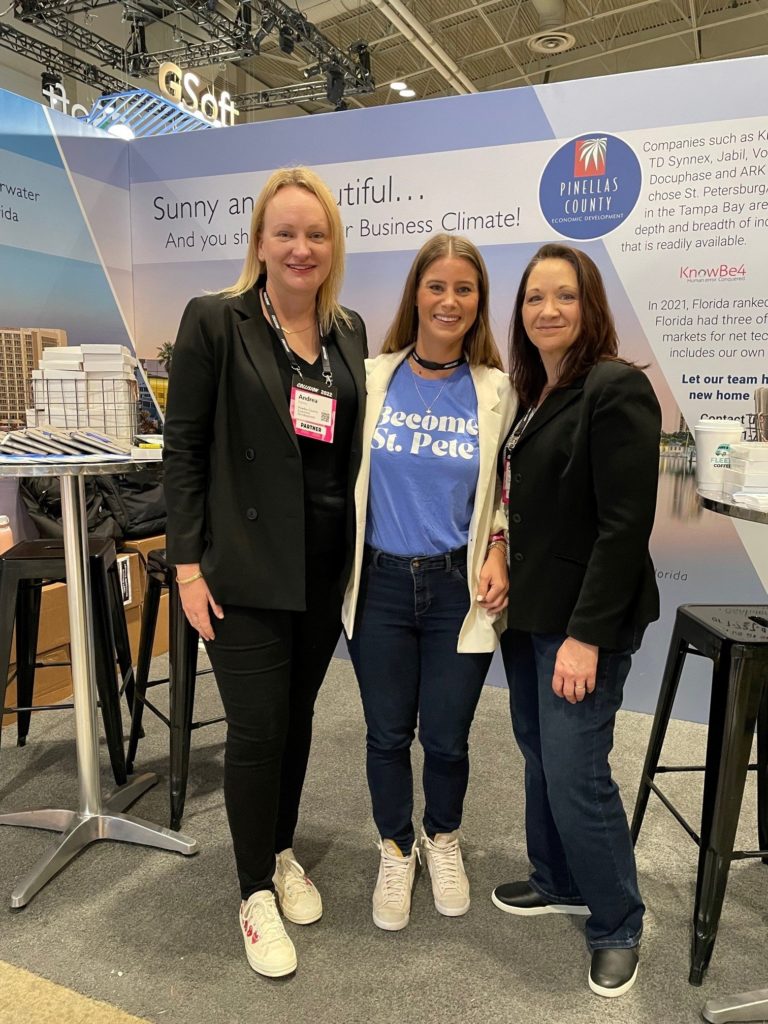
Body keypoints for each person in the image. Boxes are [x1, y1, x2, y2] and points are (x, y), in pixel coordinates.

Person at [163, 166, 368, 978]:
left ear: (332, 247)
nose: (300, 247)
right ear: (259, 241)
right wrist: (185, 567)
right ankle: (253, 892)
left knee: (298, 717)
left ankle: (281, 851)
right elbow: (183, 450)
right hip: (243, 566)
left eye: (315, 234)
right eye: (285, 232)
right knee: (254, 729)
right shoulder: (216, 322)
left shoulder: (347, 330)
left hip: (322, 566)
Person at [491, 243, 661, 998]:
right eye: (534, 298)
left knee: (575, 770)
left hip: (583, 622)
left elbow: (624, 527)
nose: (547, 310)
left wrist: (586, 636)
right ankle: (556, 878)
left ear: (590, 306)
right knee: (537, 753)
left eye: (564, 296)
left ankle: (618, 920)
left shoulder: (614, 388)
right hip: (532, 614)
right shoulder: (540, 393)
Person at [342, 234, 516, 931]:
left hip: (456, 591)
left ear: (479, 304)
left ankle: (443, 837)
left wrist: (500, 545)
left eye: (464, 289)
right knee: (387, 734)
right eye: (437, 286)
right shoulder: (371, 376)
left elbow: (508, 486)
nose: (449, 300)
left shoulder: (496, 390)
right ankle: (395, 844)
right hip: (380, 583)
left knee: (445, 738)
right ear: (416, 291)